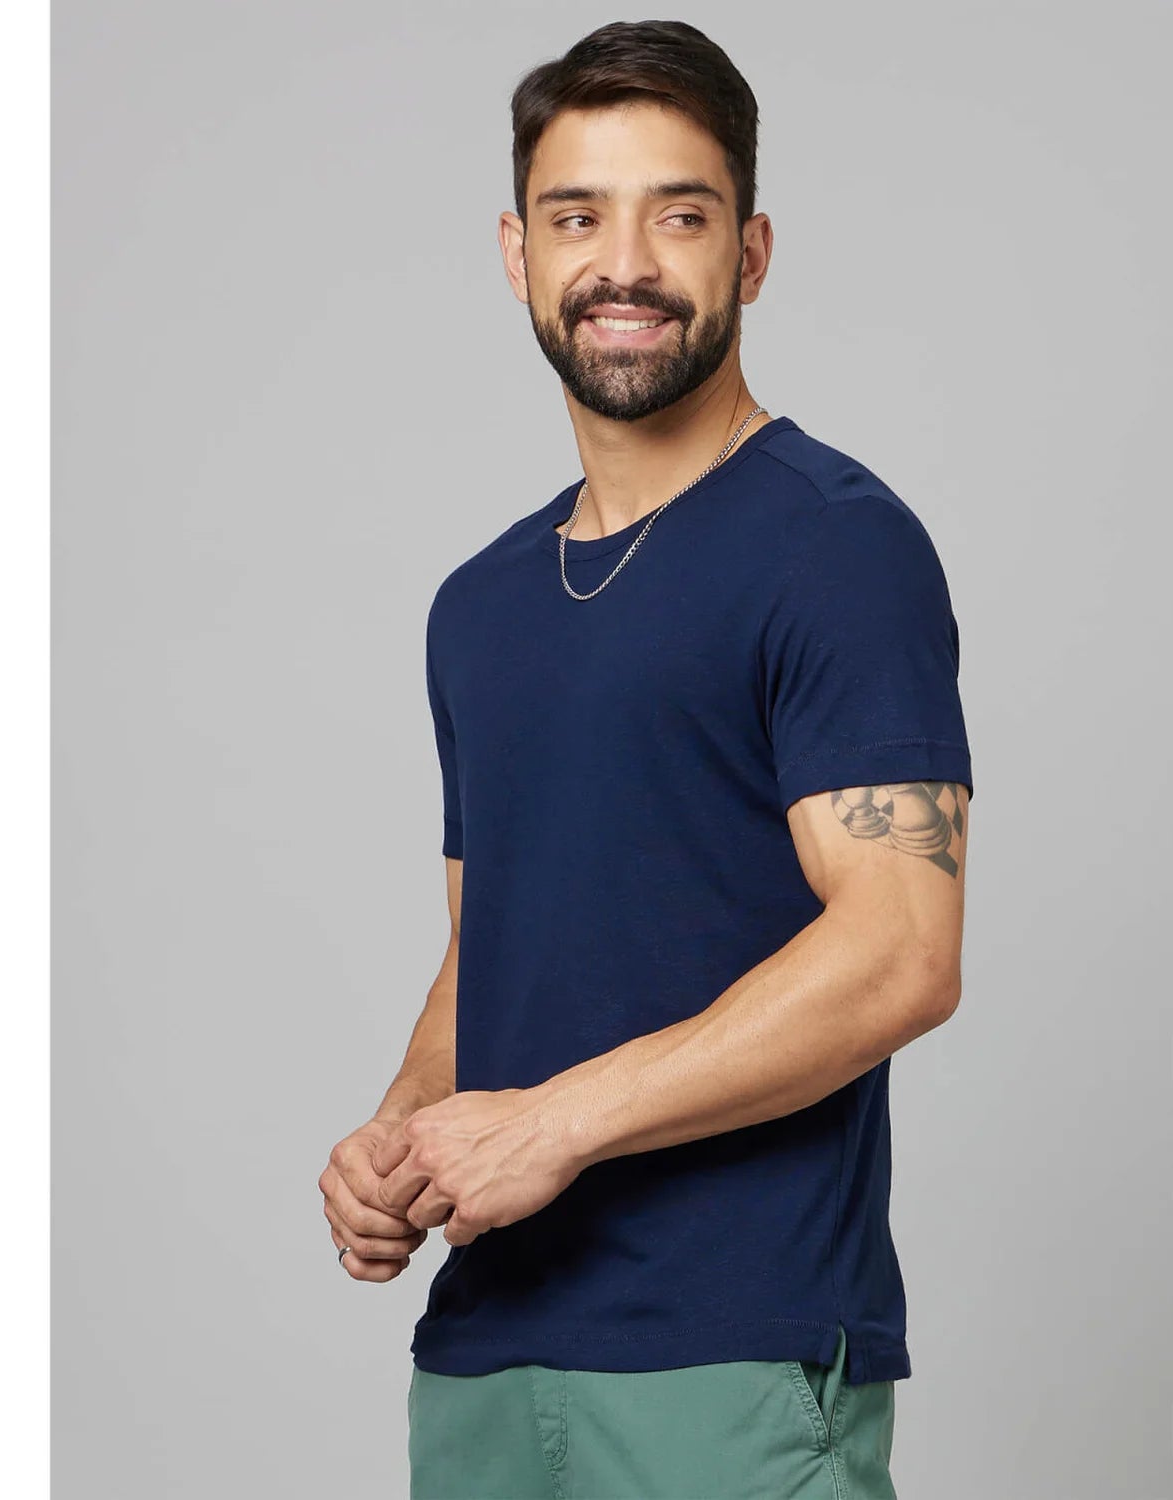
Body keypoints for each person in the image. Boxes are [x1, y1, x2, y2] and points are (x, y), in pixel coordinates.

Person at [317, 20, 974, 1499]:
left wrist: (553, 1126)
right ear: (516, 254)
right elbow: (496, 945)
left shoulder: (836, 548)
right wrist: (402, 1136)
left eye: (678, 216)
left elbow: (901, 951)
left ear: (750, 252)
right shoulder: (480, 605)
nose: (624, 265)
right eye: (576, 218)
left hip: (729, 1365)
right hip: (485, 1360)